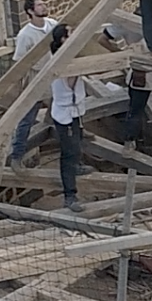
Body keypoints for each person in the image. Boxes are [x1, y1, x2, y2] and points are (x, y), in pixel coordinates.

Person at [103, 23, 152, 148]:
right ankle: (129, 140)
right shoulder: (126, 23)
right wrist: (121, 54)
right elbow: (102, 39)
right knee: (136, 110)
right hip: (142, 73)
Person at [44, 24, 89, 211]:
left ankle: (77, 166)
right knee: (68, 153)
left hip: (75, 111)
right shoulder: (60, 62)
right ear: (63, 39)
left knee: (77, 142)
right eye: (70, 33)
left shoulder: (67, 57)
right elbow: (69, 82)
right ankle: (69, 195)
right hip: (65, 114)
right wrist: (81, 67)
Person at [8, 0, 57, 160]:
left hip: (54, 74)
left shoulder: (52, 25)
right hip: (36, 78)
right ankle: (17, 154)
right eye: (39, 5)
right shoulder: (25, 35)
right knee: (27, 118)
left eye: (44, 4)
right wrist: (19, 87)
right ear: (30, 11)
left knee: (65, 107)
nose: (44, 6)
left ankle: (70, 132)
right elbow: (19, 63)